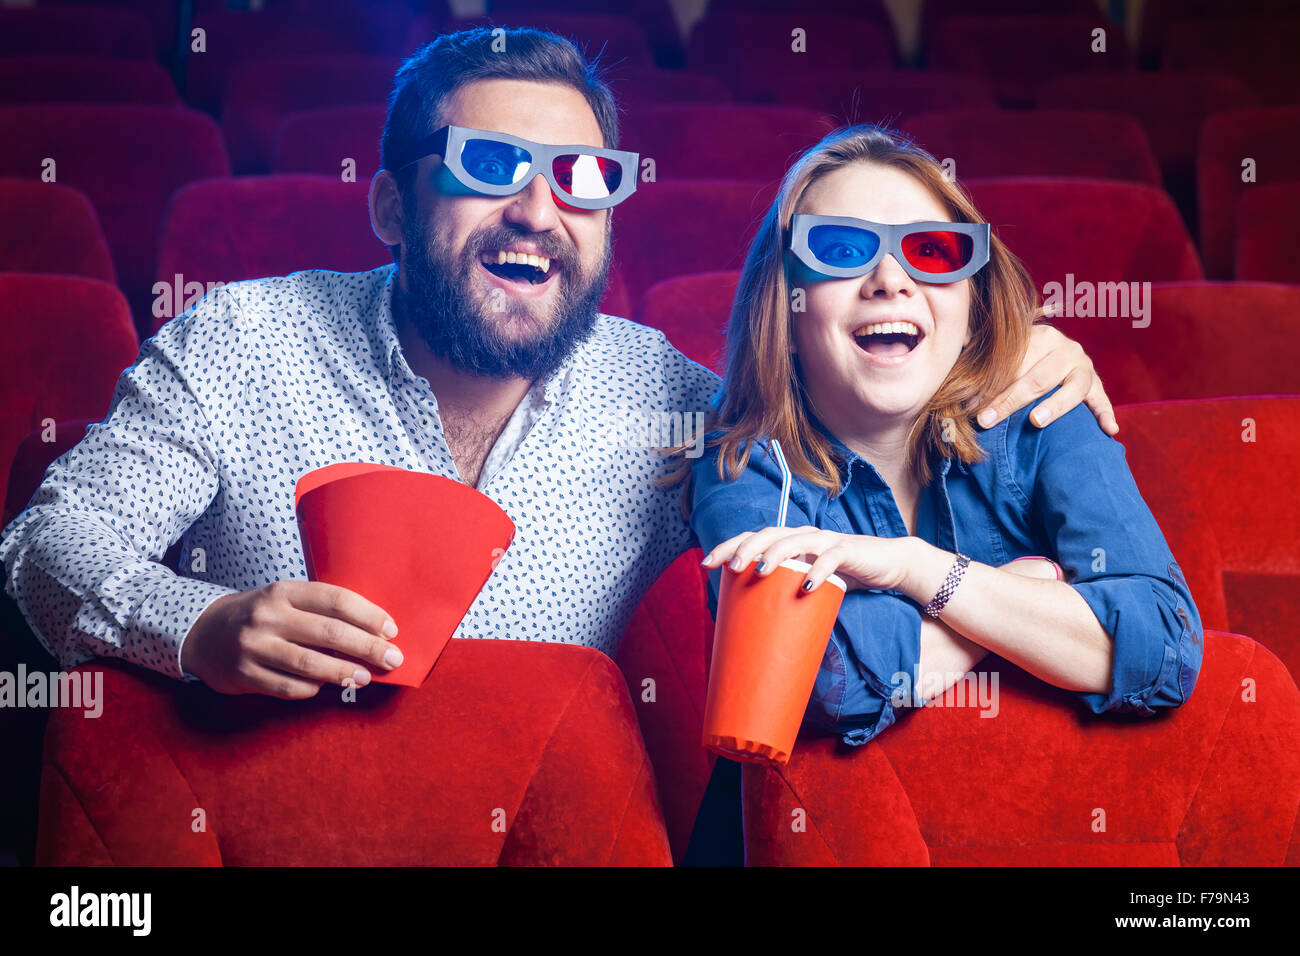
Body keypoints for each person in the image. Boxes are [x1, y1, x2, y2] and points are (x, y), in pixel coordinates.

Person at [2, 29, 1119, 702]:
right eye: (492, 165)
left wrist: (1003, 353)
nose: (540, 210)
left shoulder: (682, 409)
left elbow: (859, 502)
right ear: (394, 202)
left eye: (582, 176)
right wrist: (197, 628)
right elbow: (49, 543)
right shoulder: (241, 341)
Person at [686, 124, 1202, 748]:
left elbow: (1161, 645)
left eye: (932, 251)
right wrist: (1022, 602)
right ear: (785, 304)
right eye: (841, 249)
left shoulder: (1044, 405)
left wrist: (919, 571)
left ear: (969, 303)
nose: (891, 279)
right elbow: (816, 680)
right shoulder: (743, 455)